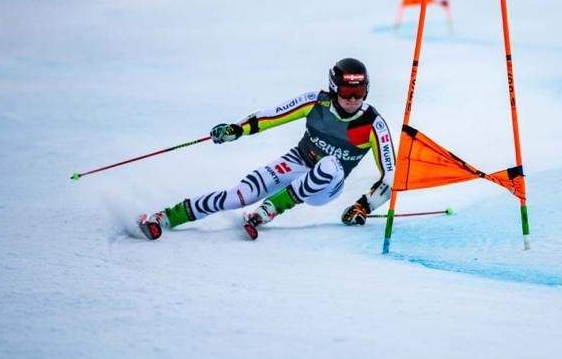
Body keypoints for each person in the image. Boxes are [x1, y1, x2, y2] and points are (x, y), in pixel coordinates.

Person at [137, 58, 395, 241]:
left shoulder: (374, 124)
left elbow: (391, 177)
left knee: (329, 164)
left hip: (326, 186)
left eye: (359, 91)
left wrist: (363, 206)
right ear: (333, 87)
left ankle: (271, 207)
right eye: (347, 90)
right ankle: (165, 218)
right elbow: (272, 116)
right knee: (238, 196)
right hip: (297, 162)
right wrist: (235, 130)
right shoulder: (316, 101)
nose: (353, 99)